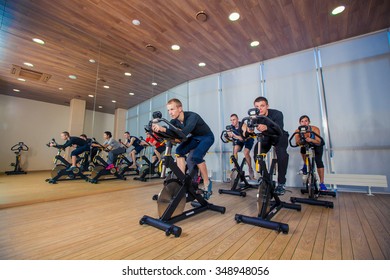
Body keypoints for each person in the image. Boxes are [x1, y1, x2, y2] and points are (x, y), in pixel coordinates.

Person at [151, 98, 214, 199]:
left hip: (207, 137)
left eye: (172, 109)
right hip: (195, 137)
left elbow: (183, 133)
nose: (170, 113)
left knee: (197, 156)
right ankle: (182, 179)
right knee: (179, 151)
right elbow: (171, 133)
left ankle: (207, 182)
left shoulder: (193, 117)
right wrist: (158, 131)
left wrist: (164, 129)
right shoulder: (174, 121)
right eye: (168, 110)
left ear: (180, 108)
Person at [250, 96, 290, 195]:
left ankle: (281, 183)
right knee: (257, 153)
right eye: (257, 106)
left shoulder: (277, 114)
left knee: (282, 154)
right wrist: (248, 130)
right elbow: (249, 129)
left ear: (267, 106)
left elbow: (279, 129)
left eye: (262, 106)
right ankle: (265, 178)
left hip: (279, 136)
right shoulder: (256, 116)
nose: (259, 108)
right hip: (266, 137)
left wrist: (266, 127)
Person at [294, 115, 327, 191]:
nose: (304, 123)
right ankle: (305, 164)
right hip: (306, 144)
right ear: (300, 123)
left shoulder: (315, 129)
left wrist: (311, 140)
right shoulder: (297, 131)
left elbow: (318, 141)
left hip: (317, 144)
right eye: (302, 121)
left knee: (318, 161)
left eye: (306, 121)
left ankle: (322, 183)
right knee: (302, 148)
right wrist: (301, 140)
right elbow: (297, 142)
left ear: (309, 122)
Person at [227, 114, 255, 179]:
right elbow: (228, 136)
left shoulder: (243, 125)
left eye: (234, 120)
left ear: (237, 119)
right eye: (231, 120)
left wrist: (234, 135)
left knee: (246, 152)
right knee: (235, 150)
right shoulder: (231, 127)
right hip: (240, 140)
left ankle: (250, 169)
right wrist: (229, 135)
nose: (232, 122)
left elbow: (243, 138)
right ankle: (235, 168)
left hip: (248, 139)